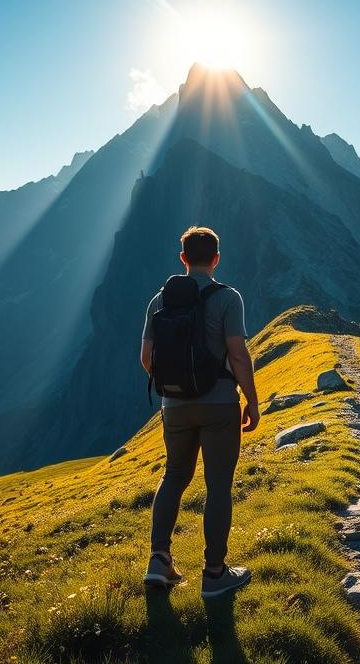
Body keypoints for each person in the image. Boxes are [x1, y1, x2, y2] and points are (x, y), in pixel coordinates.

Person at [140, 226, 260, 597]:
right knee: (218, 483)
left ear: (183, 258)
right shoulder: (228, 298)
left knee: (174, 475)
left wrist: (178, 388)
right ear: (216, 259)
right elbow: (238, 354)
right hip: (220, 404)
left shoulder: (159, 301)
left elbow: (147, 358)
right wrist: (251, 400)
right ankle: (214, 574)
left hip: (173, 407)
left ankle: (159, 561)